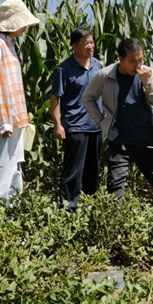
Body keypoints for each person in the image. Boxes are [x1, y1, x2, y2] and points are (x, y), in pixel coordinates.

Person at [82, 38, 153, 201]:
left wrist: (147, 84)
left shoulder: (148, 73)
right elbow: (88, 97)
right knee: (114, 189)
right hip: (120, 141)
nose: (138, 65)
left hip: (148, 140)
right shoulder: (104, 75)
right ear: (120, 59)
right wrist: (100, 120)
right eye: (132, 61)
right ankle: (114, 225)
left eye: (141, 60)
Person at [0, 0, 40, 222]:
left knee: (14, 176)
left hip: (16, 122)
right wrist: (4, 122)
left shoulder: (10, 44)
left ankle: (10, 230)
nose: (25, 27)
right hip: (5, 124)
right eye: (22, 22)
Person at [51, 28, 103, 211]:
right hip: (75, 127)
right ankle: (68, 211)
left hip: (96, 127)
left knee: (93, 172)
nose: (91, 46)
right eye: (86, 43)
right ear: (74, 47)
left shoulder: (98, 66)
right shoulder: (64, 69)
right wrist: (58, 125)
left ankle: (90, 209)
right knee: (73, 173)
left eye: (92, 42)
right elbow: (55, 98)